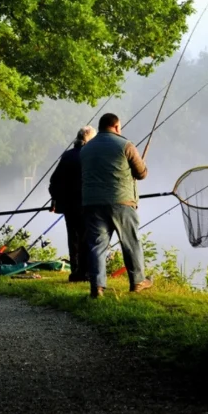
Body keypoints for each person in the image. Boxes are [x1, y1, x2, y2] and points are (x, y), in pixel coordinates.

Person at [80, 113, 151, 298]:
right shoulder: (125, 145)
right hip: (121, 202)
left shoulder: (86, 149)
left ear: (101, 126)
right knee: (130, 242)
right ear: (117, 127)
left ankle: (97, 287)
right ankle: (137, 282)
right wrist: (142, 166)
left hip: (92, 203)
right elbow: (141, 173)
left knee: (97, 246)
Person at [49, 125, 97, 282]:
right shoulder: (90, 156)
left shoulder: (67, 155)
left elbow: (54, 181)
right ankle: (86, 272)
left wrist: (55, 200)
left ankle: (75, 270)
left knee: (73, 238)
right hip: (85, 204)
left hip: (68, 206)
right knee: (87, 238)